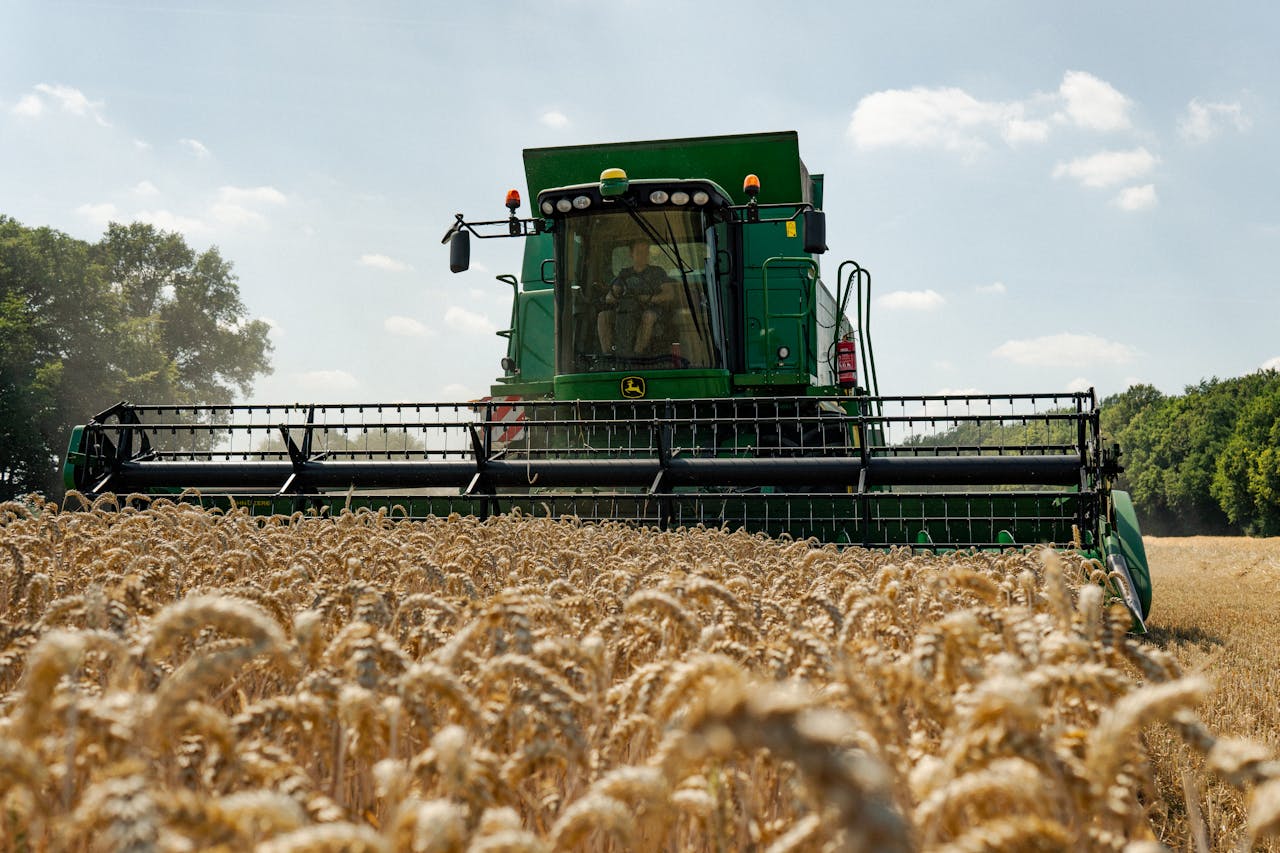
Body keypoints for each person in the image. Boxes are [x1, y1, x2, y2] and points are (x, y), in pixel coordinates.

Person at [597, 238, 673, 355]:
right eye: (639, 252)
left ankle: (637, 355)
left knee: (648, 316)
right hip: (624, 312)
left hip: (650, 310)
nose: (643, 255)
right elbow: (610, 296)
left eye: (645, 252)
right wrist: (616, 297)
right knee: (603, 316)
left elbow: (669, 294)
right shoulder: (624, 274)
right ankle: (608, 355)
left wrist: (649, 298)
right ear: (631, 254)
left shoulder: (658, 272)